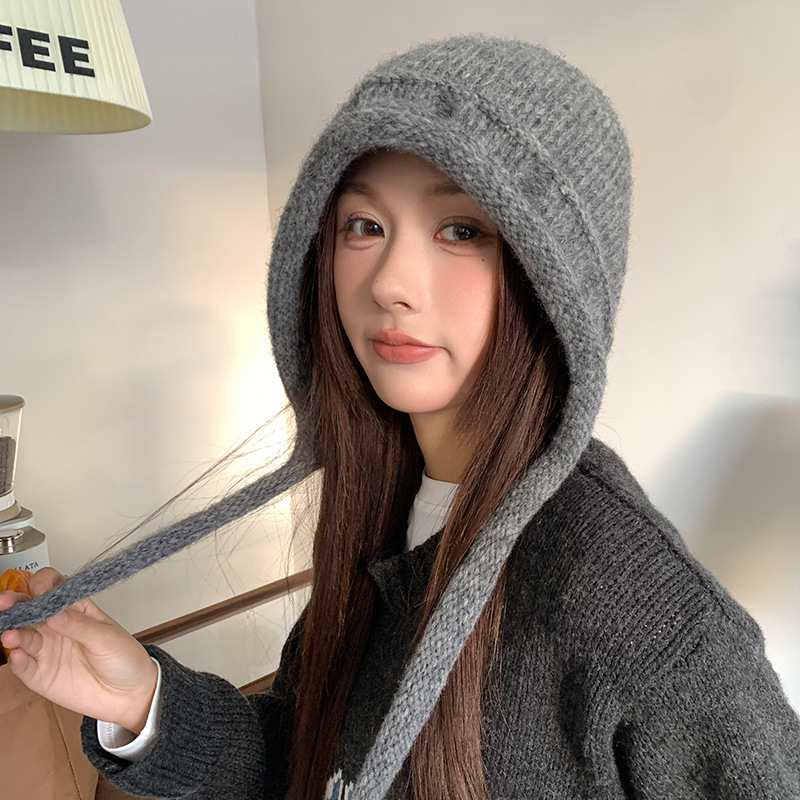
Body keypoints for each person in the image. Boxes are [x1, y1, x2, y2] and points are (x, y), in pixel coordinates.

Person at [2, 34, 800, 800]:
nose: (390, 282)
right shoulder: (389, 507)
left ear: (555, 283)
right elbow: (313, 764)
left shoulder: (633, 602)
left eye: (462, 230)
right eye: (365, 226)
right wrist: (142, 700)